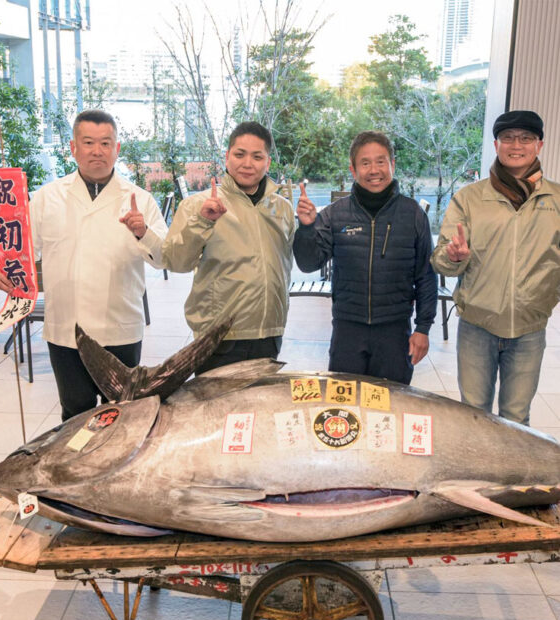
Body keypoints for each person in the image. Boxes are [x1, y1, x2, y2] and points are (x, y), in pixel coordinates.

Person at [0, 109, 168, 421]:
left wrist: (143, 232)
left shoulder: (140, 199)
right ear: (73, 147)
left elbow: (166, 257)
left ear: (117, 149)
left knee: (123, 415)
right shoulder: (47, 198)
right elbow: (22, 255)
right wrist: (7, 275)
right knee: (75, 414)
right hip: (65, 330)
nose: (97, 151)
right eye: (88, 142)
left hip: (120, 328)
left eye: (105, 143)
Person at [431, 110, 560, 425]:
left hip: (530, 327)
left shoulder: (556, 199)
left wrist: (549, 296)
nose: (517, 145)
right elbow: (441, 261)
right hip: (478, 325)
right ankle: (479, 475)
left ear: (539, 145)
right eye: (508, 138)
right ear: (496, 144)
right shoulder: (470, 198)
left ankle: (512, 476)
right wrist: (455, 256)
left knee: (517, 417)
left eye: (526, 138)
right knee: (474, 414)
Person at [293, 130, 437, 384]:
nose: (374, 170)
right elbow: (308, 264)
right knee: (345, 411)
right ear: (353, 169)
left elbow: (426, 276)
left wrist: (423, 328)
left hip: (394, 330)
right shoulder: (335, 214)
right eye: (365, 163)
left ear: (392, 165)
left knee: (390, 409)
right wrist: (306, 228)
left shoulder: (412, 214)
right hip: (348, 329)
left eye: (381, 161)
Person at [162, 121, 295, 373]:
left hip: (269, 332)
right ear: (227, 157)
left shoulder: (283, 208)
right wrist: (202, 221)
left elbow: (285, 266)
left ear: (267, 162)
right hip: (219, 337)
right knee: (216, 410)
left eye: (257, 156)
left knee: (259, 410)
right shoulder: (198, 205)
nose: (247, 163)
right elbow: (176, 262)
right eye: (239, 154)